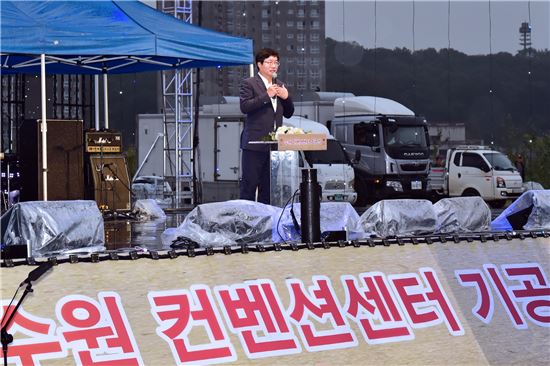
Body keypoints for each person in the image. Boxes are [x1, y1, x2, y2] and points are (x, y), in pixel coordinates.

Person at [239, 48, 294, 204]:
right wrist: (266, 95)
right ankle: (246, 222)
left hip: (274, 146)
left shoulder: (280, 85)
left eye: (276, 62)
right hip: (254, 144)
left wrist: (287, 97)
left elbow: (289, 113)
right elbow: (245, 107)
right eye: (269, 62)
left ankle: (266, 223)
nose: (273, 66)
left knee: (269, 188)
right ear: (259, 64)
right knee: (249, 186)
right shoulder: (249, 83)